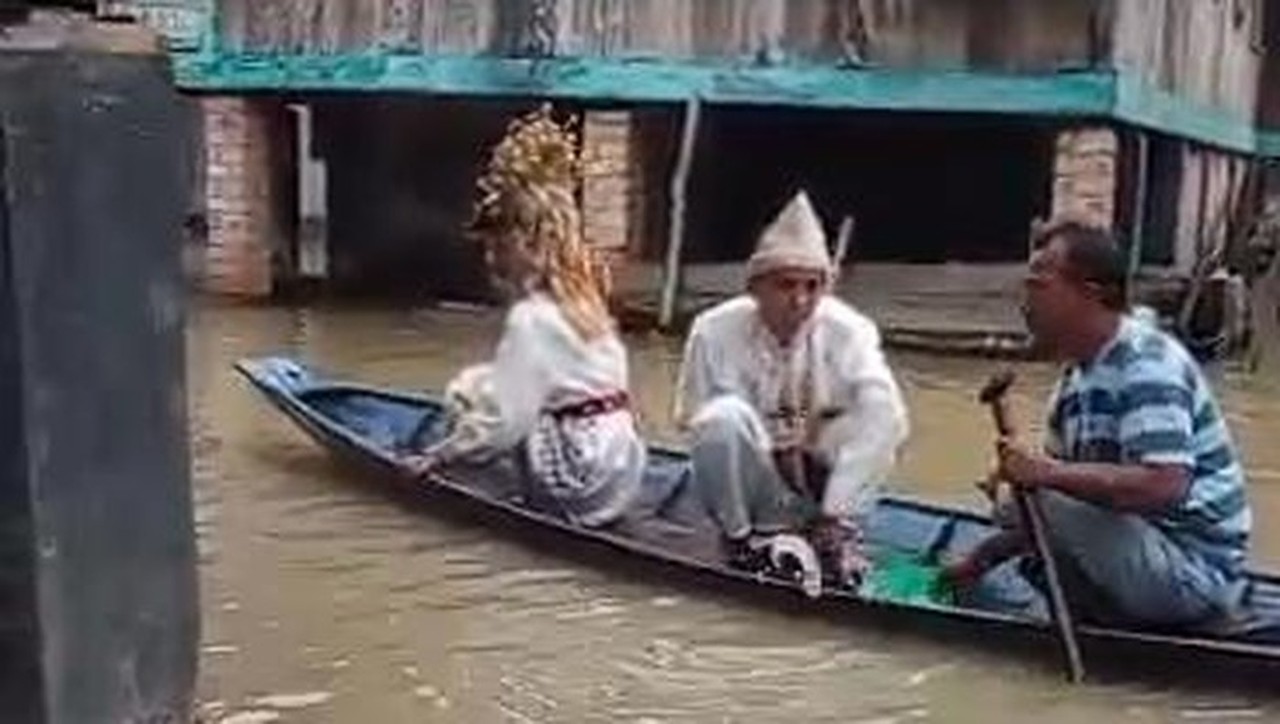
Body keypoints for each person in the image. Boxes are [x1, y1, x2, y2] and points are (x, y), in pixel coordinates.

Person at [947, 219, 1252, 627]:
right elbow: (1060, 503)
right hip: (1141, 553)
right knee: (1012, 504)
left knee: (1037, 492)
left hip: (1192, 574)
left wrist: (1044, 474)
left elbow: (1165, 485)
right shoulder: (1074, 383)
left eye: (1038, 286)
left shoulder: (1146, 364)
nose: (1025, 303)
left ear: (1090, 294)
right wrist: (981, 559)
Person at [405, 105, 644, 529]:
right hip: (623, 470)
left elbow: (507, 424)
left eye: (497, 246)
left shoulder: (531, 318)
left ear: (525, 244)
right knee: (490, 381)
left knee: (471, 393)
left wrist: (439, 457)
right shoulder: (585, 297)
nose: (491, 259)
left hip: (578, 482)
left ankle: (498, 483)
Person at [673, 190, 910, 585]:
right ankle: (739, 540)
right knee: (720, 418)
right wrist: (774, 443)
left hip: (824, 483)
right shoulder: (713, 331)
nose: (800, 300)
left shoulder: (849, 331)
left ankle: (836, 531)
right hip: (756, 481)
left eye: (812, 287)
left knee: (881, 407)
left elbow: (883, 413)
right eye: (786, 286)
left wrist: (833, 503)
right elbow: (693, 418)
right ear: (756, 288)